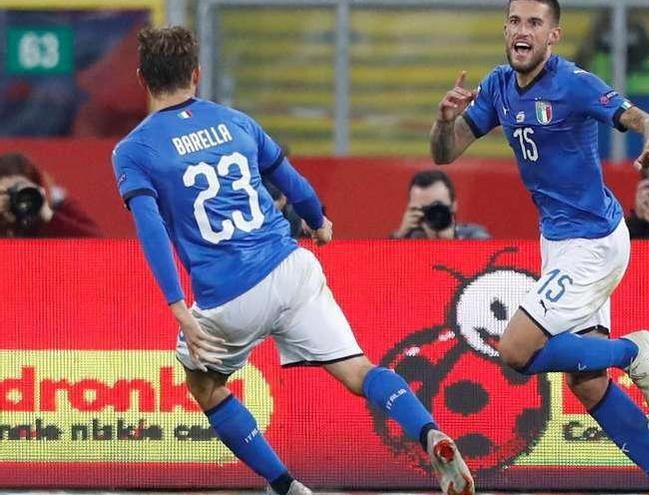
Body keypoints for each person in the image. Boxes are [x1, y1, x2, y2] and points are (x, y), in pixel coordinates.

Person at [112, 26, 473, 495]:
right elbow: (291, 180)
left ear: (142, 78)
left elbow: (151, 229)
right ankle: (430, 433)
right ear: (196, 75)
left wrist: (178, 306)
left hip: (229, 297)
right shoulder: (236, 122)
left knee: (205, 385)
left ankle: (286, 486)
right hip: (290, 267)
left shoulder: (133, 150)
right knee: (360, 371)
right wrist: (319, 221)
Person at [428, 1, 649, 494]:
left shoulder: (575, 83)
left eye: (535, 23)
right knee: (588, 383)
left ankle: (632, 351)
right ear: (505, 29)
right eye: (515, 22)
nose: (522, 31)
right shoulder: (496, 86)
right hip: (558, 242)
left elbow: (645, 122)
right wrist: (445, 120)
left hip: (592, 242)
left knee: (514, 350)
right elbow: (445, 153)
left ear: (553, 35)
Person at [0, 152, 102, 238]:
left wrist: (50, 217)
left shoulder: (59, 207)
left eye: (22, 192)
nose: (14, 199)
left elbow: (101, 246)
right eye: (7, 193)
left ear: (37, 188)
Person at [392, 170, 490, 240]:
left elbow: (488, 265)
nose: (431, 215)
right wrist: (399, 238)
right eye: (423, 209)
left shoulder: (474, 237)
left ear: (453, 206)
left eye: (437, 208)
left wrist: (452, 243)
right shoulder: (406, 241)